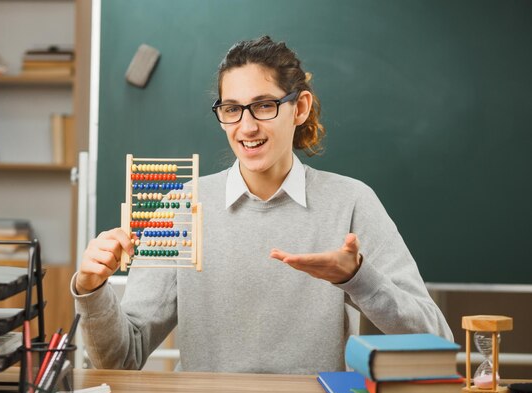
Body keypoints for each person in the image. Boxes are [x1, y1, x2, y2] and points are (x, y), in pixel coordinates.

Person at [71, 35, 453, 374]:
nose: (247, 127)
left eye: (264, 105)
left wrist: (358, 278)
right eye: (232, 109)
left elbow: (434, 340)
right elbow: (121, 359)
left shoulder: (350, 202)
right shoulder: (181, 206)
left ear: (299, 107)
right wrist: (91, 290)